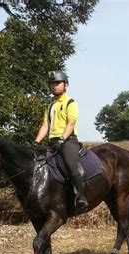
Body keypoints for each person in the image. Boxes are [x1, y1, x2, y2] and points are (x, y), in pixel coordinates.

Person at [34, 70, 88, 212]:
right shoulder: (50, 105)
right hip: (52, 142)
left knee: (71, 166)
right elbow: (46, 125)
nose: (54, 86)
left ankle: (81, 196)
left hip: (68, 141)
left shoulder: (71, 103)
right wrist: (36, 142)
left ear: (66, 85)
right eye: (52, 84)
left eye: (58, 83)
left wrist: (62, 139)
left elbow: (70, 123)